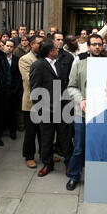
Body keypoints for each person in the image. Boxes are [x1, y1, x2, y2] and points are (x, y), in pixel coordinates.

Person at [66, 34, 105, 191]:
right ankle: (74, 176)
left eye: (99, 44)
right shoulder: (79, 64)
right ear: (88, 47)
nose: (97, 47)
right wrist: (81, 99)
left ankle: (98, 177)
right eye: (94, 44)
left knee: (99, 146)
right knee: (79, 147)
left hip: (102, 114)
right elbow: (71, 86)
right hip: (81, 113)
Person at [30, 39, 73, 177]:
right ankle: (48, 164)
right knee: (47, 139)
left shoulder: (59, 64)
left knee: (65, 138)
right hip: (47, 110)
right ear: (50, 51)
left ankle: (69, 164)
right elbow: (35, 90)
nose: (58, 49)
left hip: (62, 108)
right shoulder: (38, 65)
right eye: (55, 48)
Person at [19, 35, 44, 169]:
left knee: (44, 130)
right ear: (32, 44)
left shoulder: (46, 58)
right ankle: (29, 156)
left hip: (45, 100)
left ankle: (44, 153)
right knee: (31, 131)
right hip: (31, 101)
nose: (42, 45)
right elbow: (29, 79)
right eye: (40, 43)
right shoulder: (25, 59)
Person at [5, 39, 23, 140]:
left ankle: (13, 131)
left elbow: (18, 76)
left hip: (14, 91)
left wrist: (15, 90)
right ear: (4, 46)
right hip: (3, 90)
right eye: (7, 46)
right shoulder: (0, 58)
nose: (9, 48)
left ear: (14, 48)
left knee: (13, 112)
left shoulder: (16, 59)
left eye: (11, 46)